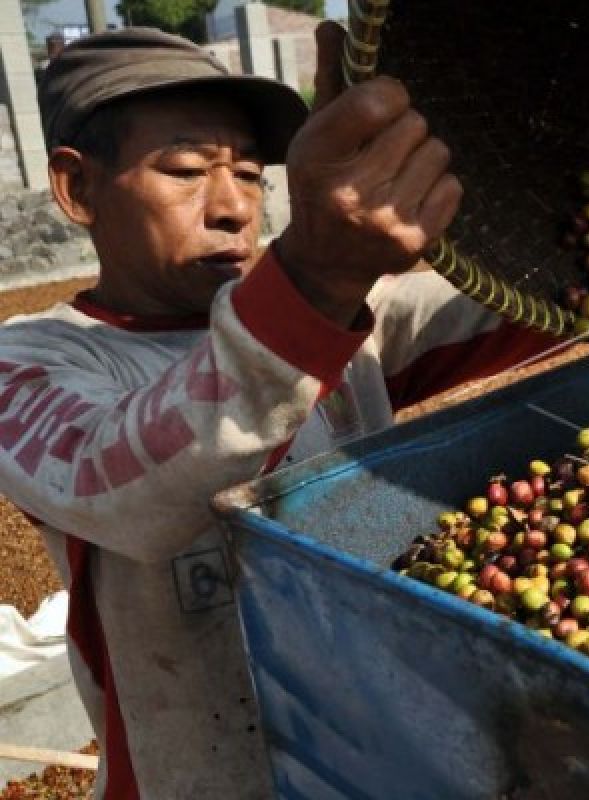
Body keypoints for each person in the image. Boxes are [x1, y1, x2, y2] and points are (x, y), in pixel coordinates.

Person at [1, 24, 556, 798]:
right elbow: (134, 486)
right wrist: (318, 273)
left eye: (253, 175)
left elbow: (526, 303)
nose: (233, 207)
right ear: (78, 188)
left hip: (382, 758)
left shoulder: (328, 321)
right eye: (186, 170)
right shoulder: (35, 361)